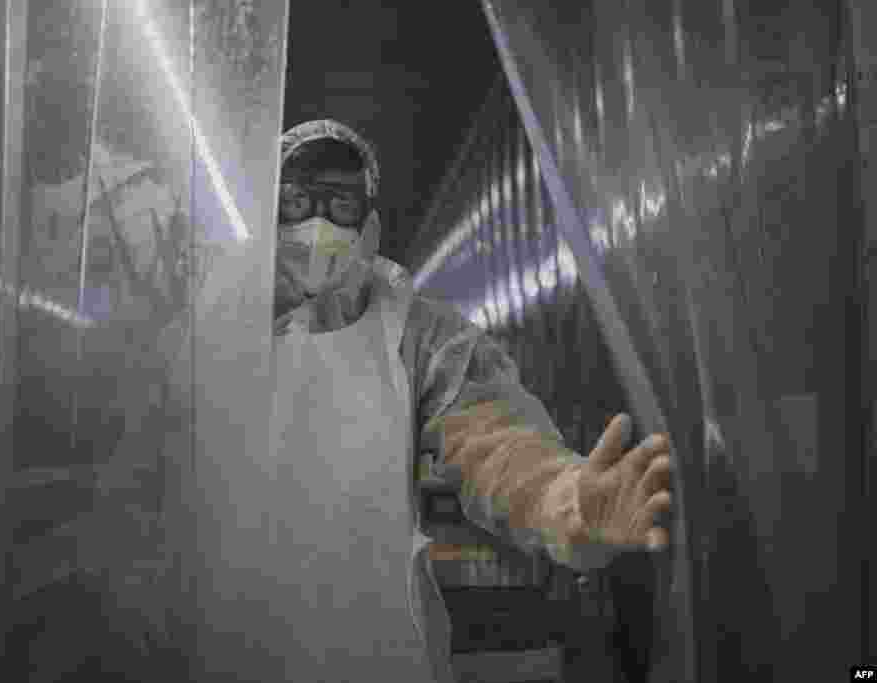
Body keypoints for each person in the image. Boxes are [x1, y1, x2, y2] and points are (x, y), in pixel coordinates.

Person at [268, 119, 672, 683]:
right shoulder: (207, 323)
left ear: (370, 223)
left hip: (372, 650)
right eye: (294, 200)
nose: (315, 223)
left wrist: (569, 503)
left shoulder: (415, 334)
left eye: (340, 204)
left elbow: (493, 442)